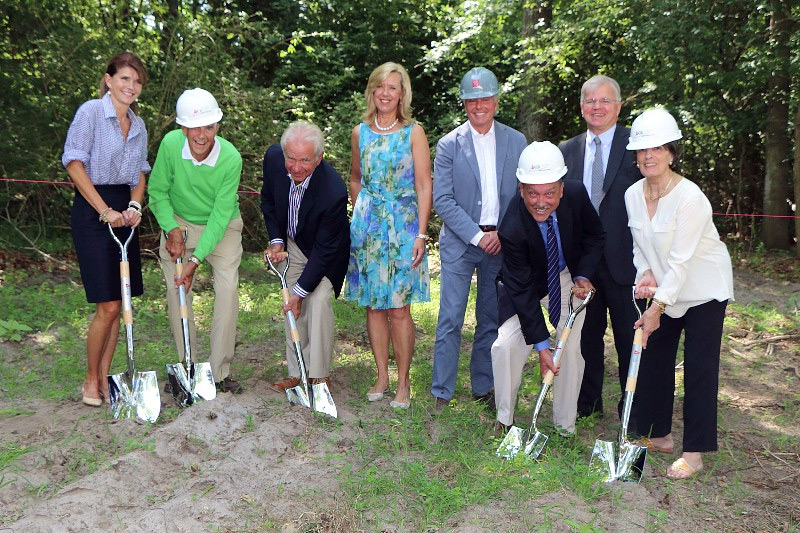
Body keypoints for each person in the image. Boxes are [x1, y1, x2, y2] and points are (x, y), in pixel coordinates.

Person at [624, 108, 734, 479]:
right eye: (642, 150)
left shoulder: (690, 197)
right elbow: (640, 245)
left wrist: (655, 307)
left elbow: (684, 261)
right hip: (667, 288)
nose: (648, 156)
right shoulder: (631, 195)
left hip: (704, 288)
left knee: (700, 369)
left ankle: (695, 452)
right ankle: (661, 435)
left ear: (671, 152)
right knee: (654, 358)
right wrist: (645, 273)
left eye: (657, 148)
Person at [430, 67, 527, 412]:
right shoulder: (448, 145)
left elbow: (523, 195)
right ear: (465, 104)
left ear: (496, 101)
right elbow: (443, 199)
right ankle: (442, 390)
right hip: (461, 242)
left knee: (489, 318)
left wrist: (503, 233)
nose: (479, 105)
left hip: (502, 241)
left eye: (485, 98)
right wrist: (475, 235)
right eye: (472, 100)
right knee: (451, 317)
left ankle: (483, 386)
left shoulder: (517, 142)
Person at [491, 142, 604, 434]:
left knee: (569, 346)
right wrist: (541, 346)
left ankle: (564, 425)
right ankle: (505, 421)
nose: (541, 202)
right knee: (505, 345)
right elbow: (522, 292)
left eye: (549, 193)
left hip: (566, 277)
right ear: (521, 189)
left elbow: (595, 236)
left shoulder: (577, 195)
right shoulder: (512, 226)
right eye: (533, 193)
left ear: (562, 189)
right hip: (527, 285)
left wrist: (583, 274)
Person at [62, 52, 150, 407]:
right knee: (108, 304)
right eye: (125, 79)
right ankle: (89, 378)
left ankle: (104, 375)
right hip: (93, 209)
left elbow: (140, 173)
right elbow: (73, 161)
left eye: (137, 81)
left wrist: (133, 206)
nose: (131, 86)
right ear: (109, 79)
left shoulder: (139, 125)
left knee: (121, 303)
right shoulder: (90, 113)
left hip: (123, 215)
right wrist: (104, 210)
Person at [344, 62, 432, 409]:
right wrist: (363, 215)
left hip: (404, 226)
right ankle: (381, 374)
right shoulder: (359, 132)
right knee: (374, 308)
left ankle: (404, 382)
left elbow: (425, 185)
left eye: (392, 87)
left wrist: (421, 234)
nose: (385, 93)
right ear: (372, 91)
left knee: (399, 308)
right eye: (380, 86)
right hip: (368, 230)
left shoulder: (413, 131)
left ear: (402, 93)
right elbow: (354, 178)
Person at [148, 88, 244, 394]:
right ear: (183, 128)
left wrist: (194, 260)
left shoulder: (230, 158)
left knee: (227, 289)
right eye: (194, 127)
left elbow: (220, 215)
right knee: (178, 292)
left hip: (222, 224)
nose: (201, 135)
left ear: (217, 126)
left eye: (208, 127)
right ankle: (186, 365)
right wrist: (170, 228)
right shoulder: (170, 145)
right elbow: (158, 192)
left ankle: (219, 372)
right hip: (179, 223)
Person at [559, 75, 641, 419]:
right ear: (581, 108)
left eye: (605, 101)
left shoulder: (637, 146)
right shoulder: (565, 151)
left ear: (619, 106)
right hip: (583, 266)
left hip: (628, 261)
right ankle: (587, 404)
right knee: (586, 338)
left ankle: (632, 409)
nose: (597, 107)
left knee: (629, 338)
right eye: (591, 101)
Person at [261, 122, 350, 391]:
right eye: (291, 158)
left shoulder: (333, 191)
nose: (296, 167)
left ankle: (319, 375)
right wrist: (277, 241)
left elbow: (324, 252)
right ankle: (297, 372)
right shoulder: (274, 158)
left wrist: (301, 292)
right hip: (293, 240)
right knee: (291, 303)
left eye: (304, 160)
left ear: (319, 158)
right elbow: (268, 201)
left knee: (318, 299)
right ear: (284, 153)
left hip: (325, 251)